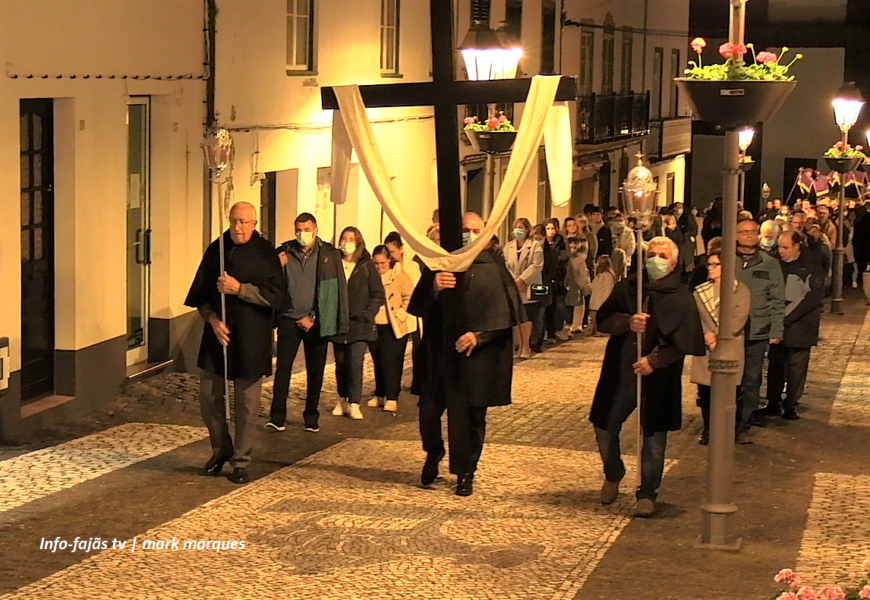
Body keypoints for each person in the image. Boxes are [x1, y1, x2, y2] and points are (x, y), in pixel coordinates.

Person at [409, 212, 526, 496]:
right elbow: (419, 306)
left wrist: (479, 335)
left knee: (471, 418)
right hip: (440, 354)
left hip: (476, 358)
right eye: (465, 229)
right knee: (428, 411)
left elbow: (505, 313)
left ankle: (465, 471)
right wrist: (434, 287)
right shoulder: (440, 264)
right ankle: (433, 451)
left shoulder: (494, 267)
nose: (470, 235)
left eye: (476, 230)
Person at [590, 236, 705, 517]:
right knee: (604, 426)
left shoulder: (680, 296)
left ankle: (647, 492)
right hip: (621, 371)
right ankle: (613, 471)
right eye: (651, 255)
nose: (655, 260)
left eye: (662, 256)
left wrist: (654, 360)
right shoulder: (629, 287)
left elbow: (685, 340)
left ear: (674, 263)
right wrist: (627, 322)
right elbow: (603, 320)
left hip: (658, 376)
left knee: (653, 436)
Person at [184, 202, 289, 484]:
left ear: (254, 224)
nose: (237, 227)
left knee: (246, 404)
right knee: (208, 397)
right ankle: (221, 449)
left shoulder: (265, 254)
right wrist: (212, 320)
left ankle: (242, 461)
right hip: (217, 334)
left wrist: (240, 289)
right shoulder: (216, 249)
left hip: (251, 337)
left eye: (243, 222)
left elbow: (276, 297)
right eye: (233, 221)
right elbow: (201, 295)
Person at [268, 213, 348, 434]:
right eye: (298, 229)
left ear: (315, 231)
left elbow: (333, 291)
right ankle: (277, 417)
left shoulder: (329, 255)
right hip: (288, 319)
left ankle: (311, 417)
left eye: (306, 229)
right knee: (283, 369)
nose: (302, 234)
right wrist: (275, 266)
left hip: (316, 322)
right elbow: (269, 282)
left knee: (315, 371)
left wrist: (314, 317)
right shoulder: (284, 252)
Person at [758, 231, 824, 420]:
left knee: (796, 369)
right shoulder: (775, 264)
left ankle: (791, 404)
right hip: (778, 325)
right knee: (775, 366)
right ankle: (773, 402)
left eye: (785, 247)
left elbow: (811, 299)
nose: (781, 251)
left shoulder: (811, 266)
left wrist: (787, 318)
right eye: (779, 246)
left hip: (801, 327)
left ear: (797, 246)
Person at [690, 241, 750, 445]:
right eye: (709, 264)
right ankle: (708, 429)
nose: (711, 268)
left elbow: (738, 319)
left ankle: (728, 430)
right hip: (707, 348)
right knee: (706, 392)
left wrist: (718, 336)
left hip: (731, 346)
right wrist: (707, 335)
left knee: (729, 391)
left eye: (715, 264)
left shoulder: (740, 290)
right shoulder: (699, 292)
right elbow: (698, 317)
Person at [734, 216, 786, 442]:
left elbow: (777, 298)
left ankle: (743, 425)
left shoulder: (769, 263)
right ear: (735, 235)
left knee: (751, 379)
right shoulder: (726, 260)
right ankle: (718, 424)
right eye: (744, 231)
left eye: (752, 231)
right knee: (726, 379)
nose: (748, 235)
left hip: (757, 331)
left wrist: (776, 330)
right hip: (729, 333)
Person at [331, 227, 385, 420]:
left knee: (355, 362)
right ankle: (342, 398)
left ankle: (354, 402)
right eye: (344, 239)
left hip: (359, 324)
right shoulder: (334, 263)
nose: (347, 243)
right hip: (339, 323)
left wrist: (367, 314)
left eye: (351, 239)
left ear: (358, 242)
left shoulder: (366, 265)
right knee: (341, 363)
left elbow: (378, 294)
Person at [367, 245, 415, 413]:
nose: (379, 267)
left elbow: (409, 297)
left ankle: (392, 396)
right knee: (378, 360)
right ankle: (380, 393)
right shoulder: (370, 276)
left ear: (389, 260)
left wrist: (400, 315)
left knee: (391, 361)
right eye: (376, 263)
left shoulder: (400, 276)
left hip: (394, 325)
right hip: (375, 324)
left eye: (383, 263)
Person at [384, 232, 422, 393]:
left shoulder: (412, 267)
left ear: (400, 249)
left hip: (412, 315)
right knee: (394, 354)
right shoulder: (387, 267)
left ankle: (417, 381)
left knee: (417, 350)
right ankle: (390, 388)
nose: (390, 255)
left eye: (392, 251)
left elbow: (414, 291)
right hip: (393, 316)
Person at [504, 218, 543, 359]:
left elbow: (536, 265)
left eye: (520, 227)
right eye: (515, 227)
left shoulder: (535, 246)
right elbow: (505, 265)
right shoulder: (508, 246)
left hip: (529, 285)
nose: (517, 230)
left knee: (527, 316)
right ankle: (519, 346)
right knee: (516, 317)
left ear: (527, 230)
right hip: (513, 285)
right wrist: (514, 280)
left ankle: (526, 346)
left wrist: (522, 279)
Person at [544, 218, 570, 341]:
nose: (550, 231)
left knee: (557, 306)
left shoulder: (561, 241)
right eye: (548, 228)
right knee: (545, 307)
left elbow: (564, 256)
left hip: (558, 278)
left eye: (552, 228)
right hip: (544, 277)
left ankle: (554, 331)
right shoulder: (541, 241)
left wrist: (552, 259)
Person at [565, 236, 592, 335]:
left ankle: (576, 326)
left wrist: (586, 287)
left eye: (574, 247)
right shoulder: (564, 259)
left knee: (578, 306)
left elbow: (583, 275)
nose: (572, 250)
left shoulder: (579, 260)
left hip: (576, 288)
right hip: (566, 288)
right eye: (570, 247)